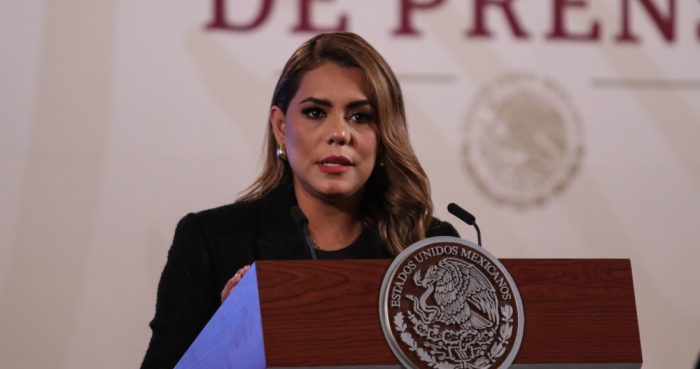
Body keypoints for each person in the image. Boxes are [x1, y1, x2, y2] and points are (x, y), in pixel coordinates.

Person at [140, 32, 458, 368]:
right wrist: (229, 335)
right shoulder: (210, 240)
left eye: (360, 117)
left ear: (384, 136)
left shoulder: (431, 248)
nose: (339, 133)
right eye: (316, 113)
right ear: (280, 127)